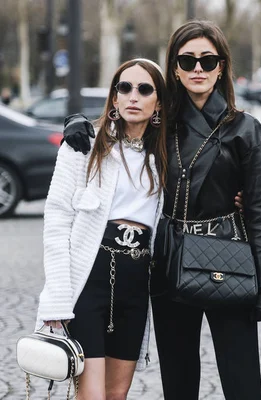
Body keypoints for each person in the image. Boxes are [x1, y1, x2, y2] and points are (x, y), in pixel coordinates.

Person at [62, 20, 261, 400]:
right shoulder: (160, 126)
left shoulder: (244, 128)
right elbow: (117, 128)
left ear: (221, 67)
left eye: (208, 60)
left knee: (242, 378)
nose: (198, 68)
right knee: (178, 381)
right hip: (170, 260)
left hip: (228, 257)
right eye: (187, 60)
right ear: (174, 68)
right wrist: (77, 122)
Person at [36, 58, 168, 399]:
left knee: (116, 395)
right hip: (91, 280)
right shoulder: (84, 144)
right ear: (114, 98)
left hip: (136, 284)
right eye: (124, 88)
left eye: (144, 89)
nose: (133, 96)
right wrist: (57, 299)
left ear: (159, 102)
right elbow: (56, 219)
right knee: (91, 395)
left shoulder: (167, 154)